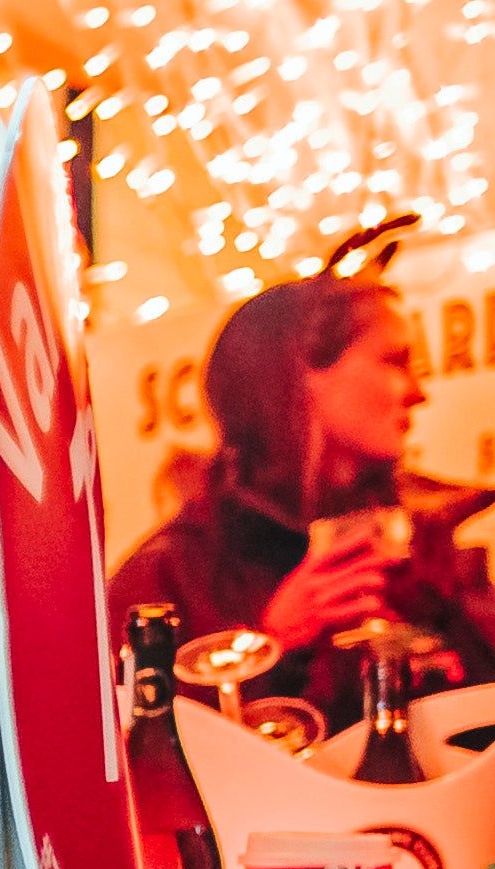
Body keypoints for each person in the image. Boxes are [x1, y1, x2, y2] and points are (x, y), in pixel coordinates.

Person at [106, 271, 495, 734]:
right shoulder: (165, 576)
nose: (417, 391)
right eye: (394, 360)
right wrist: (273, 643)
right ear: (297, 374)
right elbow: (144, 762)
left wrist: (442, 634)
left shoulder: (421, 543)